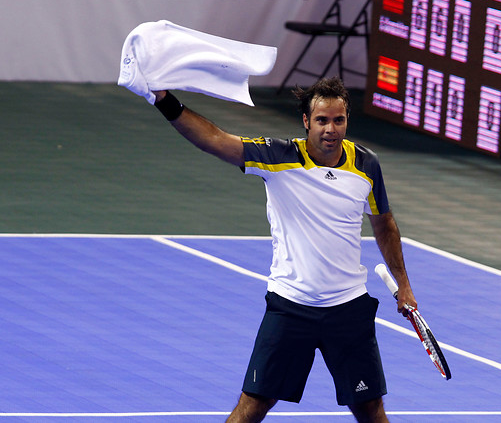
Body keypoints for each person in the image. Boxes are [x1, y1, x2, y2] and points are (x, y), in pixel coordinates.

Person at [151, 77, 417, 423]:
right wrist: (163, 100)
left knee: (370, 410)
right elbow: (214, 141)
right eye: (322, 120)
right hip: (291, 308)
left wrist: (404, 283)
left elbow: (384, 223)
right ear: (306, 121)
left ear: (347, 120)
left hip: (348, 309)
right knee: (253, 404)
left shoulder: (367, 165)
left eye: (339, 120)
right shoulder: (277, 157)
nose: (331, 129)